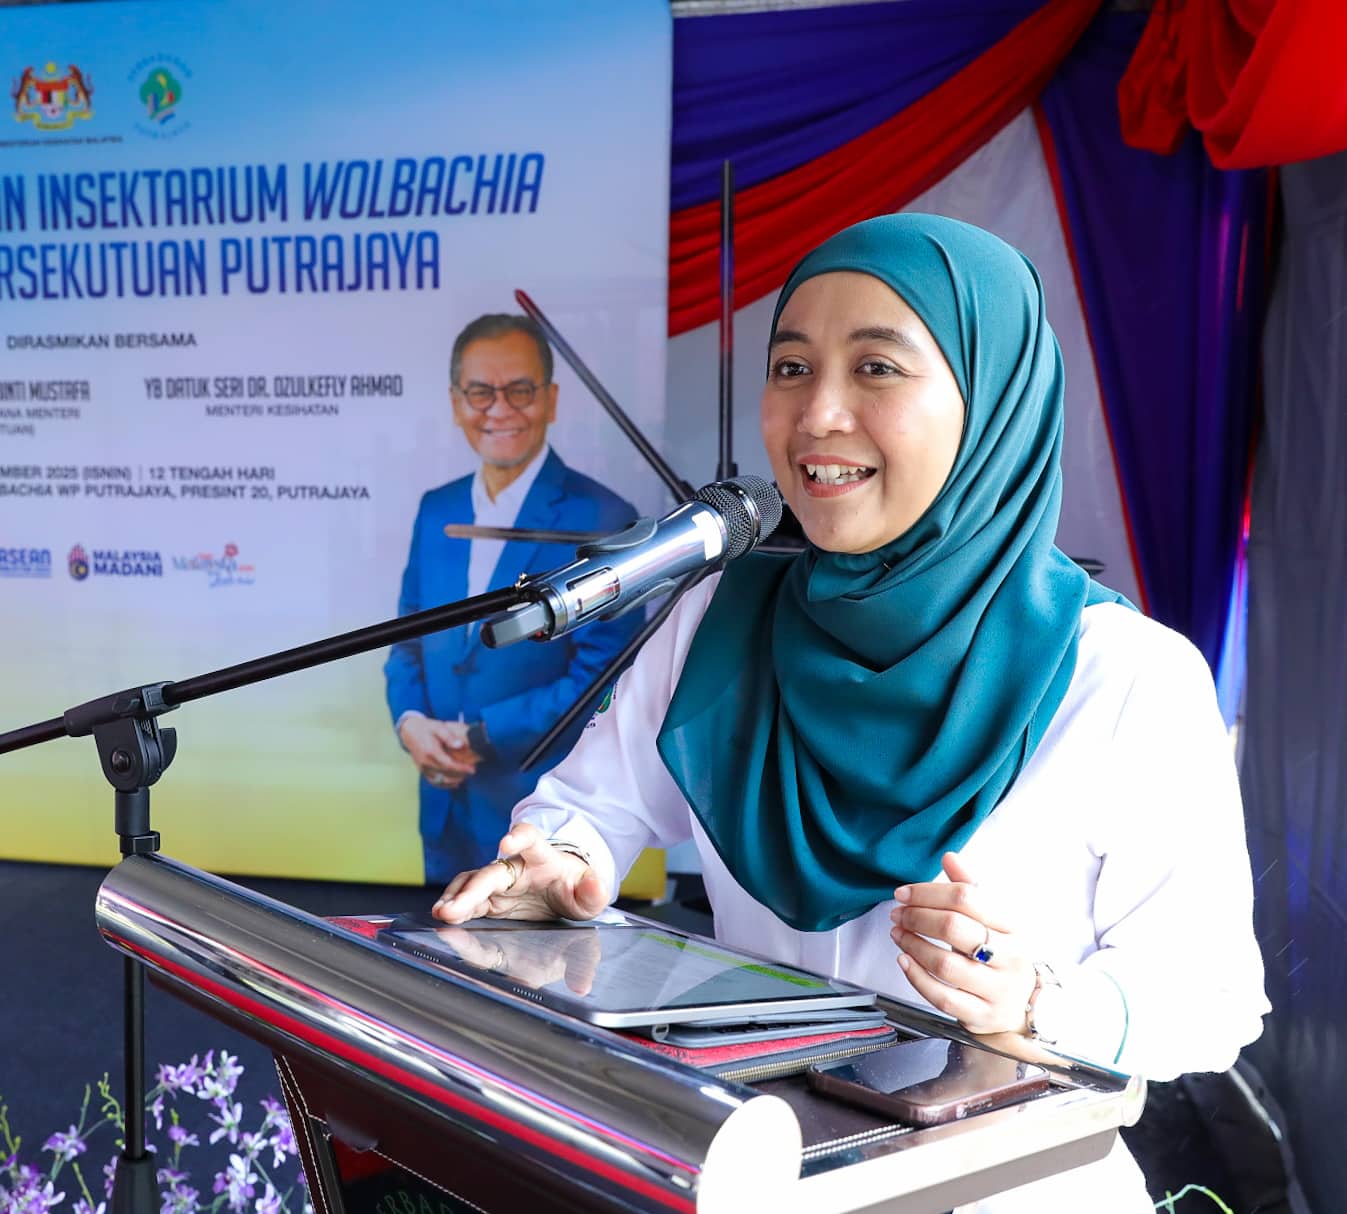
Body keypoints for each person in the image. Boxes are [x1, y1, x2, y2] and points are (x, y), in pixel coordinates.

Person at [430, 216, 1268, 1212]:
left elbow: (1214, 1001)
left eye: (876, 367)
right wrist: (560, 860)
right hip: (760, 1173)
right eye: (791, 367)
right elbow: (596, 805)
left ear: (992, 400)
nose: (818, 413)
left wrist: (1039, 1002)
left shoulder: (1124, 675)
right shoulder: (720, 621)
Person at [385, 313, 644, 884]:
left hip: (542, 816)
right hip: (444, 806)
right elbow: (406, 640)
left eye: (520, 390)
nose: (499, 409)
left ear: (551, 400)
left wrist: (480, 735)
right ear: (456, 403)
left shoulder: (603, 518)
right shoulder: (437, 509)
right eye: (480, 392)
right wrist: (411, 723)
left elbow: (602, 678)